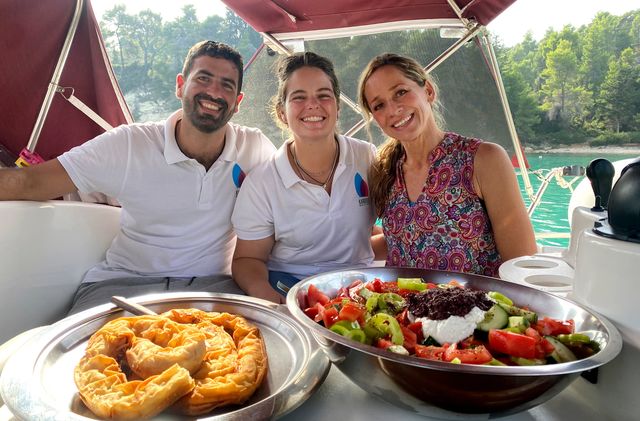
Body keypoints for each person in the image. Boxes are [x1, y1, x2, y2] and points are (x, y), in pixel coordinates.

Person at [0, 40, 276, 313]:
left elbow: (291, 187)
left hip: (213, 287)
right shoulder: (129, 144)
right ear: (180, 85)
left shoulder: (254, 147)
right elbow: (30, 181)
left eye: (226, 85)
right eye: (203, 78)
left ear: (237, 102)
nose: (213, 92)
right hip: (124, 285)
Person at [357, 53, 537, 277]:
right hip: (399, 300)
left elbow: (521, 264)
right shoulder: (384, 171)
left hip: (475, 300)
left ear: (428, 91)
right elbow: (407, 239)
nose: (393, 110)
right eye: (379, 105)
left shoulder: (483, 159)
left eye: (401, 92)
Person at [231, 52, 377, 302]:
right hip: (289, 290)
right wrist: (272, 301)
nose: (313, 104)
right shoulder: (262, 182)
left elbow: (388, 232)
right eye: (299, 97)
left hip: (359, 291)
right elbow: (248, 259)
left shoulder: (366, 157)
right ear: (282, 113)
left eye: (324, 95)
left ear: (337, 107)